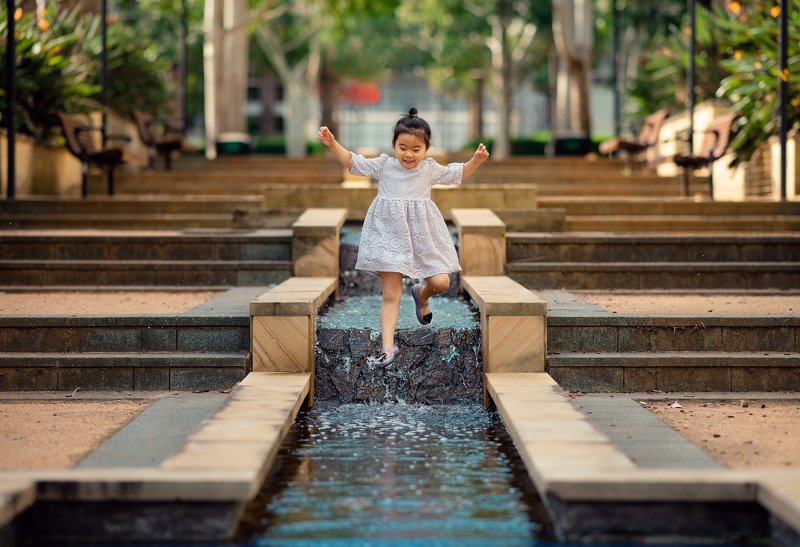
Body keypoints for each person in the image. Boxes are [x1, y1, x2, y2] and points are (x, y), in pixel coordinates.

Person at [319, 108, 490, 366]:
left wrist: (475, 161)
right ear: (394, 146)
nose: (408, 154)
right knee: (391, 294)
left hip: (423, 237)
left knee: (442, 282)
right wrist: (332, 143)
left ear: (426, 148)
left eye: (416, 149)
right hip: (389, 237)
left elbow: (458, 174)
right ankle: (388, 347)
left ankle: (421, 294)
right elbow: (354, 162)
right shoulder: (385, 166)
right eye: (402, 147)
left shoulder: (429, 170)